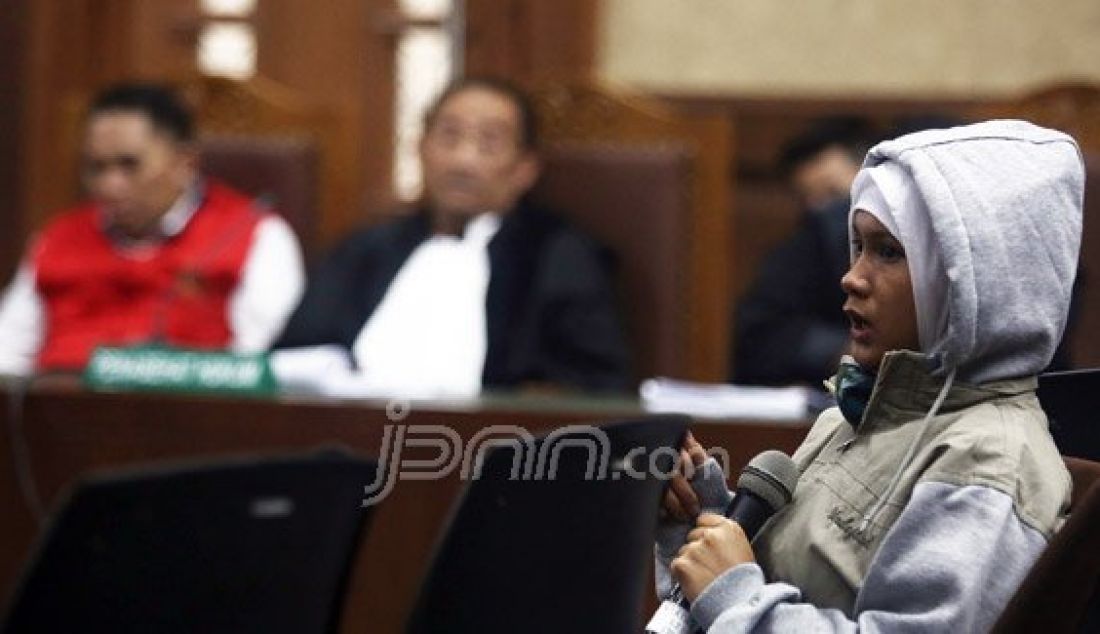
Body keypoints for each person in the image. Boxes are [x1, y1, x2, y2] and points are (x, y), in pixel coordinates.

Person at [658, 120, 1082, 632]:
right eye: (857, 245)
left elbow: (753, 599)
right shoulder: (858, 407)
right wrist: (700, 519)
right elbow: (791, 578)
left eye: (888, 251)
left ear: (967, 283)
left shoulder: (990, 462)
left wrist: (732, 595)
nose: (852, 276)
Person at [275, 77, 630, 395]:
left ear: (525, 169)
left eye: (488, 143)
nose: (463, 160)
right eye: (449, 136)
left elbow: (594, 386)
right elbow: (294, 361)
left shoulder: (558, 255)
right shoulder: (367, 248)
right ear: (421, 149)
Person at [0, 83, 305, 376]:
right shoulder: (56, 239)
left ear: (185, 163)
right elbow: (8, 354)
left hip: (188, 419)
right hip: (55, 417)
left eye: (129, 165)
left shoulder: (254, 236)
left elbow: (259, 368)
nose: (110, 186)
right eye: (96, 167)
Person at [731, 117, 873, 386]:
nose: (822, 210)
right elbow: (760, 334)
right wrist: (843, 351)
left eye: (833, 194)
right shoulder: (805, 246)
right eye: (809, 200)